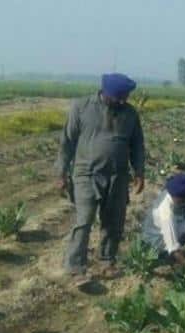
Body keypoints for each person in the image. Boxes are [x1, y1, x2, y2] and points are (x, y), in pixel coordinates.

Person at [55, 73, 145, 283]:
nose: (123, 101)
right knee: (84, 220)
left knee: (114, 221)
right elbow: (66, 142)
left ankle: (106, 261)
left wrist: (139, 171)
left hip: (118, 175)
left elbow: (137, 144)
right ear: (106, 93)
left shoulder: (130, 114)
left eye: (126, 97)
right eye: (120, 97)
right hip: (87, 173)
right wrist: (61, 172)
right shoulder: (82, 107)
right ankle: (76, 266)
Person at [141, 173, 185, 265]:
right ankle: (164, 256)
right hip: (155, 244)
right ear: (183, 197)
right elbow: (174, 249)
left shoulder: (169, 192)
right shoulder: (166, 214)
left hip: (155, 233)